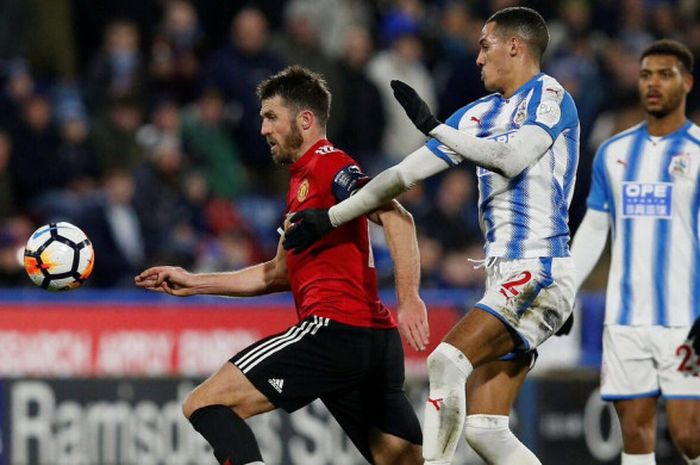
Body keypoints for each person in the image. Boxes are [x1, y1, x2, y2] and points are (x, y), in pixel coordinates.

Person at [284, 6, 579, 465]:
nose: (478, 58)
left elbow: (513, 158)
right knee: (486, 430)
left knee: (446, 361)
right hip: (504, 276)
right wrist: (333, 216)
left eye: (486, 46)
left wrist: (435, 126)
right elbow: (401, 176)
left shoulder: (551, 96)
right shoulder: (477, 114)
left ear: (515, 47)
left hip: (539, 267)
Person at [135, 65, 427, 465]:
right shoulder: (300, 182)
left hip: (332, 330)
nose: (263, 130)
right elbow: (276, 273)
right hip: (370, 341)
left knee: (206, 403)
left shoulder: (329, 163)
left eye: (271, 117)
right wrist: (193, 282)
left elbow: (397, 217)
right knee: (402, 462)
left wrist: (409, 297)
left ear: (305, 120)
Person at [570, 39, 700, 465]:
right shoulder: (614, 152)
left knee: (688, 435)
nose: (653, 84)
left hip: (687, 319)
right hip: (624, 318)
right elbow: (594, 228)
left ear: (687, 83)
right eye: (646, 75)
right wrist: (565, 289)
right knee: (635, 431)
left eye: (665, 74)